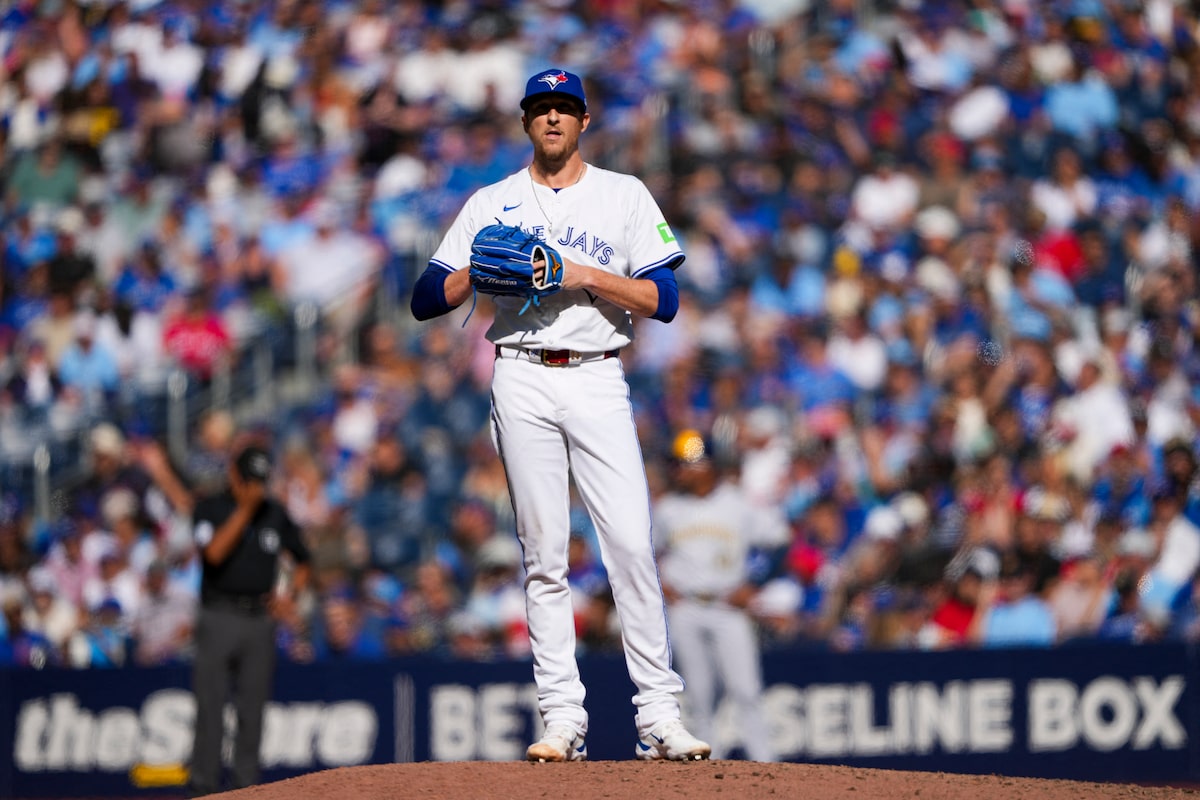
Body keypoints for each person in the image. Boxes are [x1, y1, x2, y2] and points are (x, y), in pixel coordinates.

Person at [410, 68, 710, 763]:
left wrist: (581, 274)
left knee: (631, 544)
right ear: (525, 122)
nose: (552, 118)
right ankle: (562, 720)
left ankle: (658, 715)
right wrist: (475, 276)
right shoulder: (493, 201)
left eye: (564, 108)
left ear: (582, 122)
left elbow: (662, 298)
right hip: (520, 374)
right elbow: (428, 296)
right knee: (543, 554)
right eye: (541, 108)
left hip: (598, 374)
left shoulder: (622, 194)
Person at [653, 429, 788, 761]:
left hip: (728, 606)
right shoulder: (668, 508)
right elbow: (646, 552)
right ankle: (707, 766)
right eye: (677, 464)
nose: (678, 471)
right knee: (699, 694)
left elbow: (780, 542)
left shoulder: (737, 502)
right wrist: (660, 582)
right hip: (685, 606)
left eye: (685, 464)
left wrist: (753, 584)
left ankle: (764, 762)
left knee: (746, 689)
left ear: (706, 466)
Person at [186, 443, 310, 797]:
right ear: (233, 477)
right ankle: (204, 788)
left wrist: (289, 596)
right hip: (218, 614)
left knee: (252, 708)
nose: (256, 488)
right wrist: (244, 510)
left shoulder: (275, 513)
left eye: (261, 481)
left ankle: (246, 788)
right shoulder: (210, 508)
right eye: (250, 480)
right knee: (210, 706)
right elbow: (213, 554)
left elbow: (302, 560)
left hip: (259, 619)